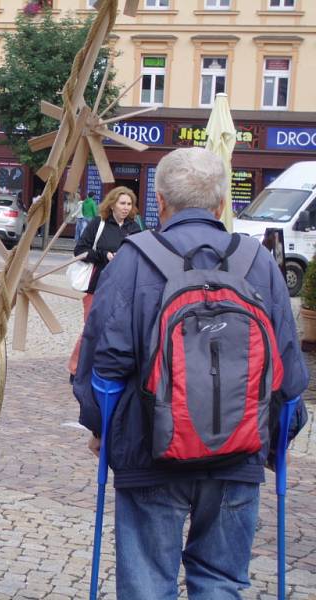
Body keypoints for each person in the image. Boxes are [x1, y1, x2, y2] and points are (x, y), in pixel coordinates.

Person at [73, 147, 309, 599]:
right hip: (238, 456)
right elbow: (289, 375)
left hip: (150, 453)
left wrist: (102, 427)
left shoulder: (132, 259)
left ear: (158, 202)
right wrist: (275, 441)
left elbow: (103, 364)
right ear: (223, 204)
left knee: (147, 584)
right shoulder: (257, 262)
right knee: (220, 581)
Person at [67, 186, 141, 377]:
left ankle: (103, 368)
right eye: (122, 203)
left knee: (117, 328)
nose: (126, 207)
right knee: (92, 327)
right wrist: (104, 255)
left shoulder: (134, 227)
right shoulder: (98, 224)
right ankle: (76, 369)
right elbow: (80, 250)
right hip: (98, 284)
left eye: (129, 204)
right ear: (112, 204)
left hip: (124, 285)